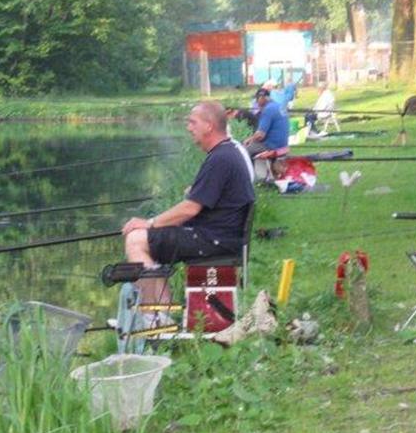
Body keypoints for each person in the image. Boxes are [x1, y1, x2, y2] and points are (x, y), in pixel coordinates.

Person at [122, 101, 255, 303]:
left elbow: (190, 209)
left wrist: (149, 222)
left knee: (136, 239)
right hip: (221, 235)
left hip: (213, 240)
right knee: (151, 237)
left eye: (193, 122)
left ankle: (153, 313)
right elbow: (205, 197)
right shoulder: (227, 152)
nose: (188, 128)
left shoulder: (220, 158)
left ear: (209, 126)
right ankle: (159, 311)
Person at [242, 88, 290, 158]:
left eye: (256, 99)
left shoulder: (268, 110)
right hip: (283, 144)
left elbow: (260, 136)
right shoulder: (278, 106)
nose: (256, 102)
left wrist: (249, 140)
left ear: (261, 98)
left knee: (243, 151)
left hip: (271, 145)